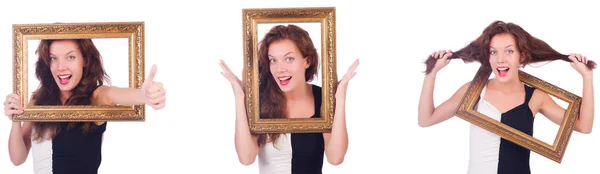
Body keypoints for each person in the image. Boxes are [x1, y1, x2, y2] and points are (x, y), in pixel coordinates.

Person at [418, 20, 595, 174]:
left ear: (521, 56)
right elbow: (426, 119)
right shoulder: (473, 92)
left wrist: (587, 77)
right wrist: (431, 74)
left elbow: (584, 126)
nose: (500, 59)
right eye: (493, 52)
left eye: (509, 51)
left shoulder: (536, 97)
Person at [4, 39, 167, 174]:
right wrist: (15, 118)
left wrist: (143, 95)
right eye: (53, 58)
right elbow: (17, 159)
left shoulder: (96, 96)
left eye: (70, 57)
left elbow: (113, 94)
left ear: (85, 60)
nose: (61, 67)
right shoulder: (39, 99)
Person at [219, 24, 359, 174]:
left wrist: (340, 99)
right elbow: (246, 158)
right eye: (273, 60)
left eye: (289, 59)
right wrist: (241, 98)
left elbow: (335, 158)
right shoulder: (260, 101)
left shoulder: (322, 98)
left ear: (307, 61)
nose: (280, 69)